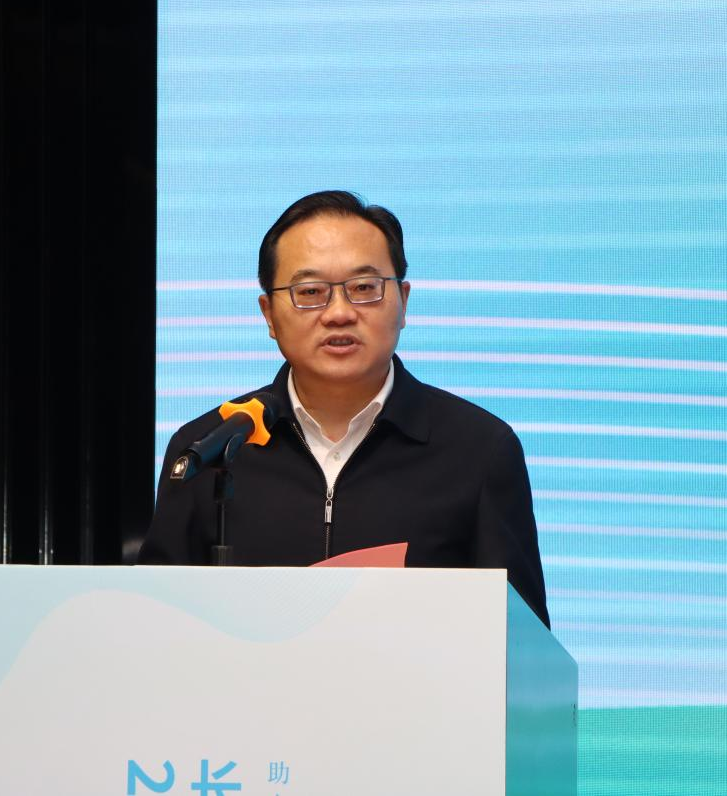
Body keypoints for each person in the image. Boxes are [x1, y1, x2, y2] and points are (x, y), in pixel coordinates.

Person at [140, 190, 550, 626]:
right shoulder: (211, 450)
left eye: (364, 289)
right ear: (269, 315)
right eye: (310, 291)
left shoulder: (479, 450)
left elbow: (522, 646)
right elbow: (153, 629)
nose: (339, 313)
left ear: (404, 301)